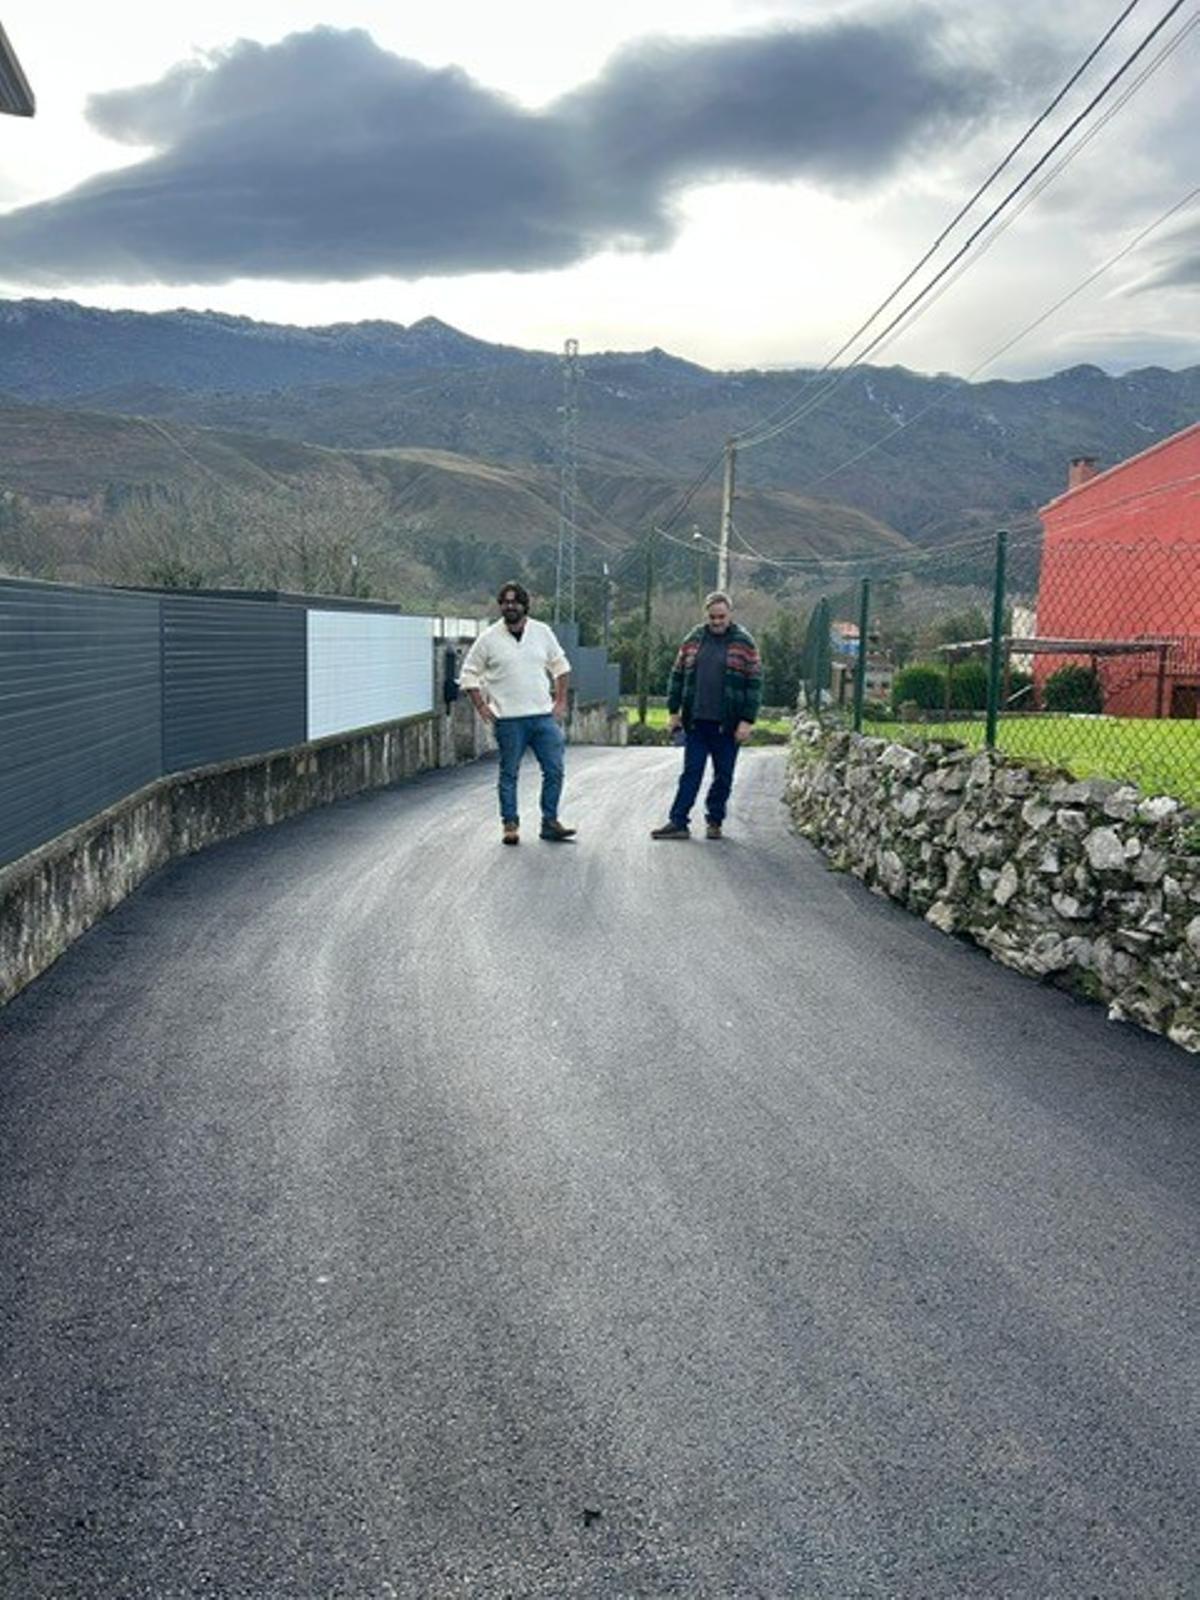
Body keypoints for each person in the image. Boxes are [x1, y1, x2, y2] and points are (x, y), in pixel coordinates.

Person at [459, 582, 576, 845]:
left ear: (525, 605)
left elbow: (561, 666)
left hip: (543, 717)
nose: (509, 606)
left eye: (515, 601)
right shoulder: (488, 638)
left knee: (554, 769)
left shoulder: (542, 632)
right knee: (509, 772)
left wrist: (560, 701)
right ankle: (510, 824)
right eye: (505, 602)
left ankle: (550, 822)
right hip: (509, 720)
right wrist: (480, 705)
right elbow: (468, 674)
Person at [651, 590, 762, 840]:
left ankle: (715, 820)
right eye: (712, 617)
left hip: (728, 725)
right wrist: (673, 712)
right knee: (691, 772)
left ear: (729, 614)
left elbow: (755, 683)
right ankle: (678, 821)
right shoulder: (693, 639)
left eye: (721, 616)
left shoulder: (745, 642)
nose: (717, 622)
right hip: (696, 722)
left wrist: (747, 720)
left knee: (723, 776)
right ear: (706, 615)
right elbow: (677, 676)